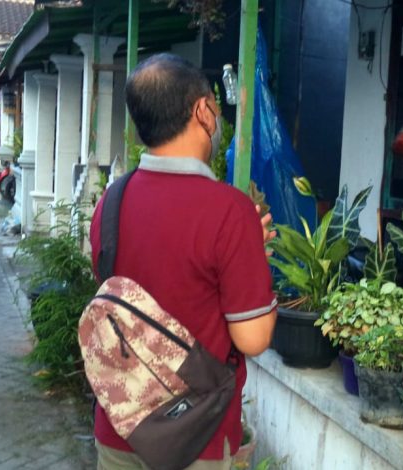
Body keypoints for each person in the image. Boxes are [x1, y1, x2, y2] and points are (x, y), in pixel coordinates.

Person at [89, 53, 277, 470]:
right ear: (203, 111)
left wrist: (242, 252)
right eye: (215, 107)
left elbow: (118, 292)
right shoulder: (230, 211)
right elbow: (253, 338)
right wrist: (250, 257)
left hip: (120, 427)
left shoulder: (111, 201)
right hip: (196, 441)